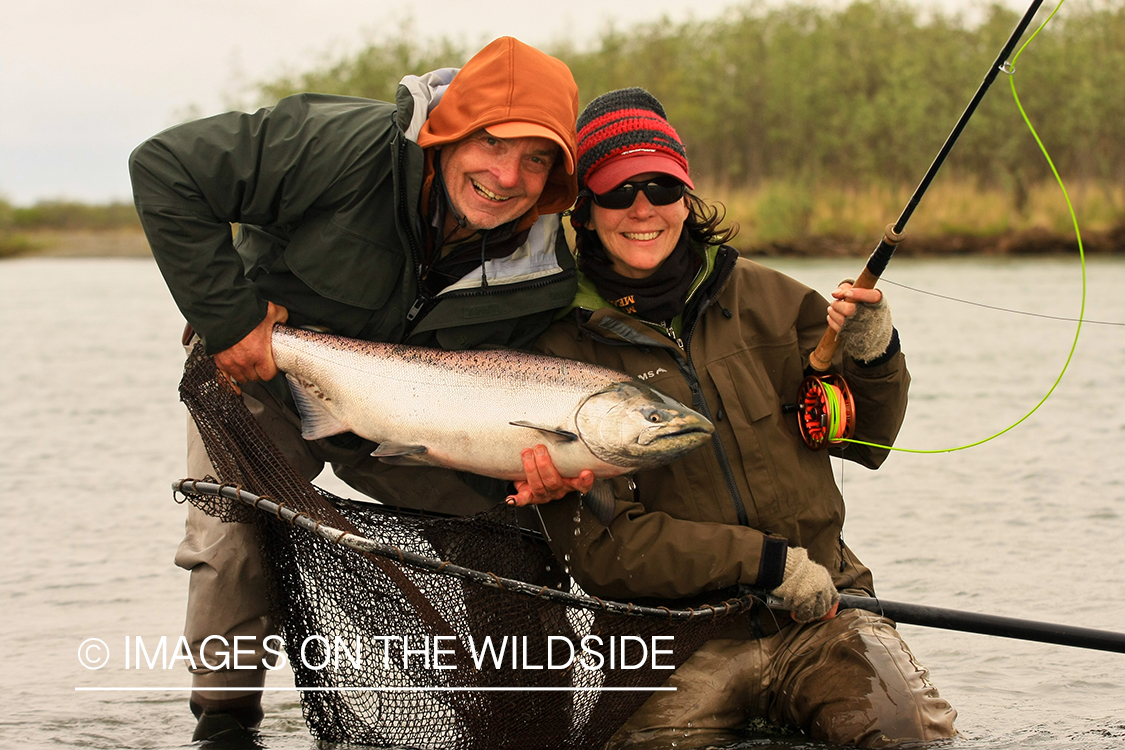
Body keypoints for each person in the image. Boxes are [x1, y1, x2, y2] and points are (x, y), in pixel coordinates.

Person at [129, 37, 580, 741]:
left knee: (517, 534)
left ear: (555, 174)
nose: (505, 175)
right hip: (265, 379)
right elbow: (165, 167)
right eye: (489, 143)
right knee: (231, 539)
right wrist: (229, 318)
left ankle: (526, 719)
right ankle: (224, 725)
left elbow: (504, 391)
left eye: (535, 158)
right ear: (446, 134)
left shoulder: (545, 274)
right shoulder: (335, 146)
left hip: (411, 419)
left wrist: (537, 474)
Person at [516, 88, 958, 748]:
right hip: (662, 647)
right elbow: (606, 553)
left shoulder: (773, 300)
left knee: (910, 737)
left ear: (686, 198)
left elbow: (865, 438)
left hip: (824, 611)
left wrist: (873, 350)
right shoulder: (550, 348)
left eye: (661, 187)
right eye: (616, 191)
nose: (642, 208)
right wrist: (769, 564)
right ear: (584, 207)